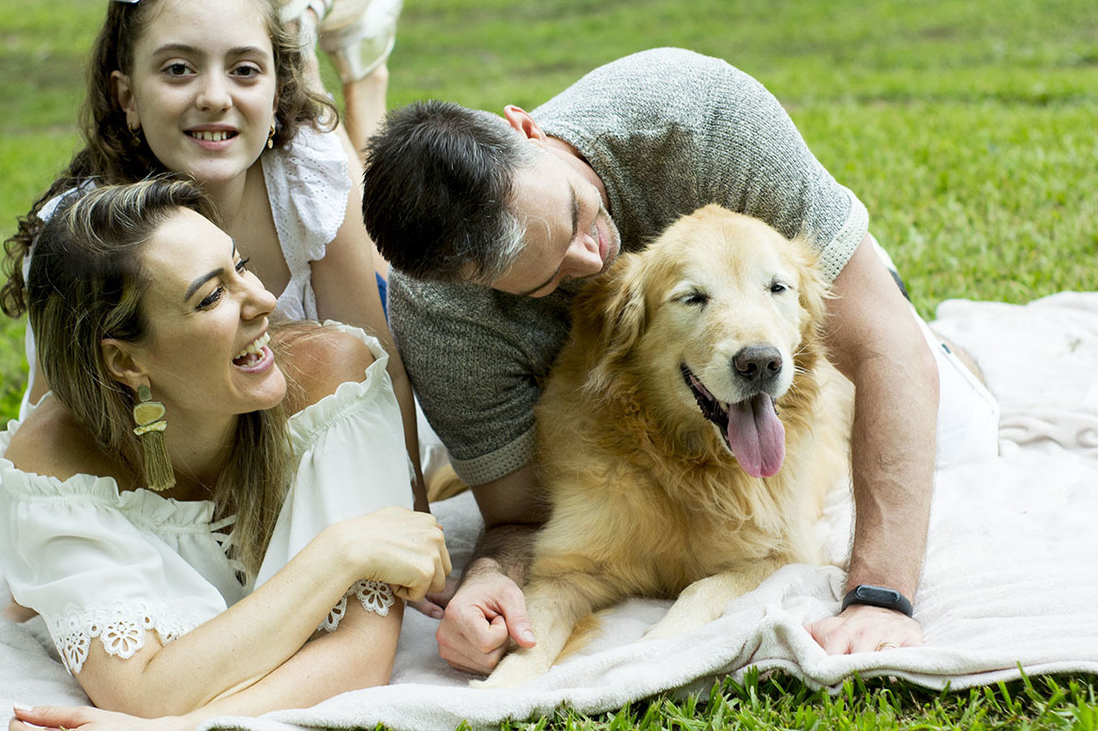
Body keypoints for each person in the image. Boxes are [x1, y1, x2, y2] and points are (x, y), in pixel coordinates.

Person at [361, 48, 1001, 673]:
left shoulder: (701, 113)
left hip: (819, 332)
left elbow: (886, 349)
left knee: (959, 434)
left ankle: (942, 340)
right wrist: (490, 579)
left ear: (525, 127)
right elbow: (521, 516)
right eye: (550, 276)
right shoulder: (443, 321)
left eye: (575, 213)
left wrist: (880, 597)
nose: (594, 258)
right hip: (629, 416)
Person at [0, 179, 451, 730]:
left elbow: (359, 656)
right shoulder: (55, 471)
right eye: (211, 296)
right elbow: (141, 694)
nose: (263, 301)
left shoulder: (336, 385)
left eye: (243, 266)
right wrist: (341, 552)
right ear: (126, 362)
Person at [0, 0, 429, 498]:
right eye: (178, 69)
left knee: (388, 265)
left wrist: (414, 514)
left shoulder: (304, 187)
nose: (214, 97)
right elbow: (58, 438)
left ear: (276, 93)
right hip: (155, 492)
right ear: (127, 96)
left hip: (306, 460)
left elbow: (382, 378)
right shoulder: (82, 239)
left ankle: (325, 53)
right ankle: (312, 38)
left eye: (245, 70)